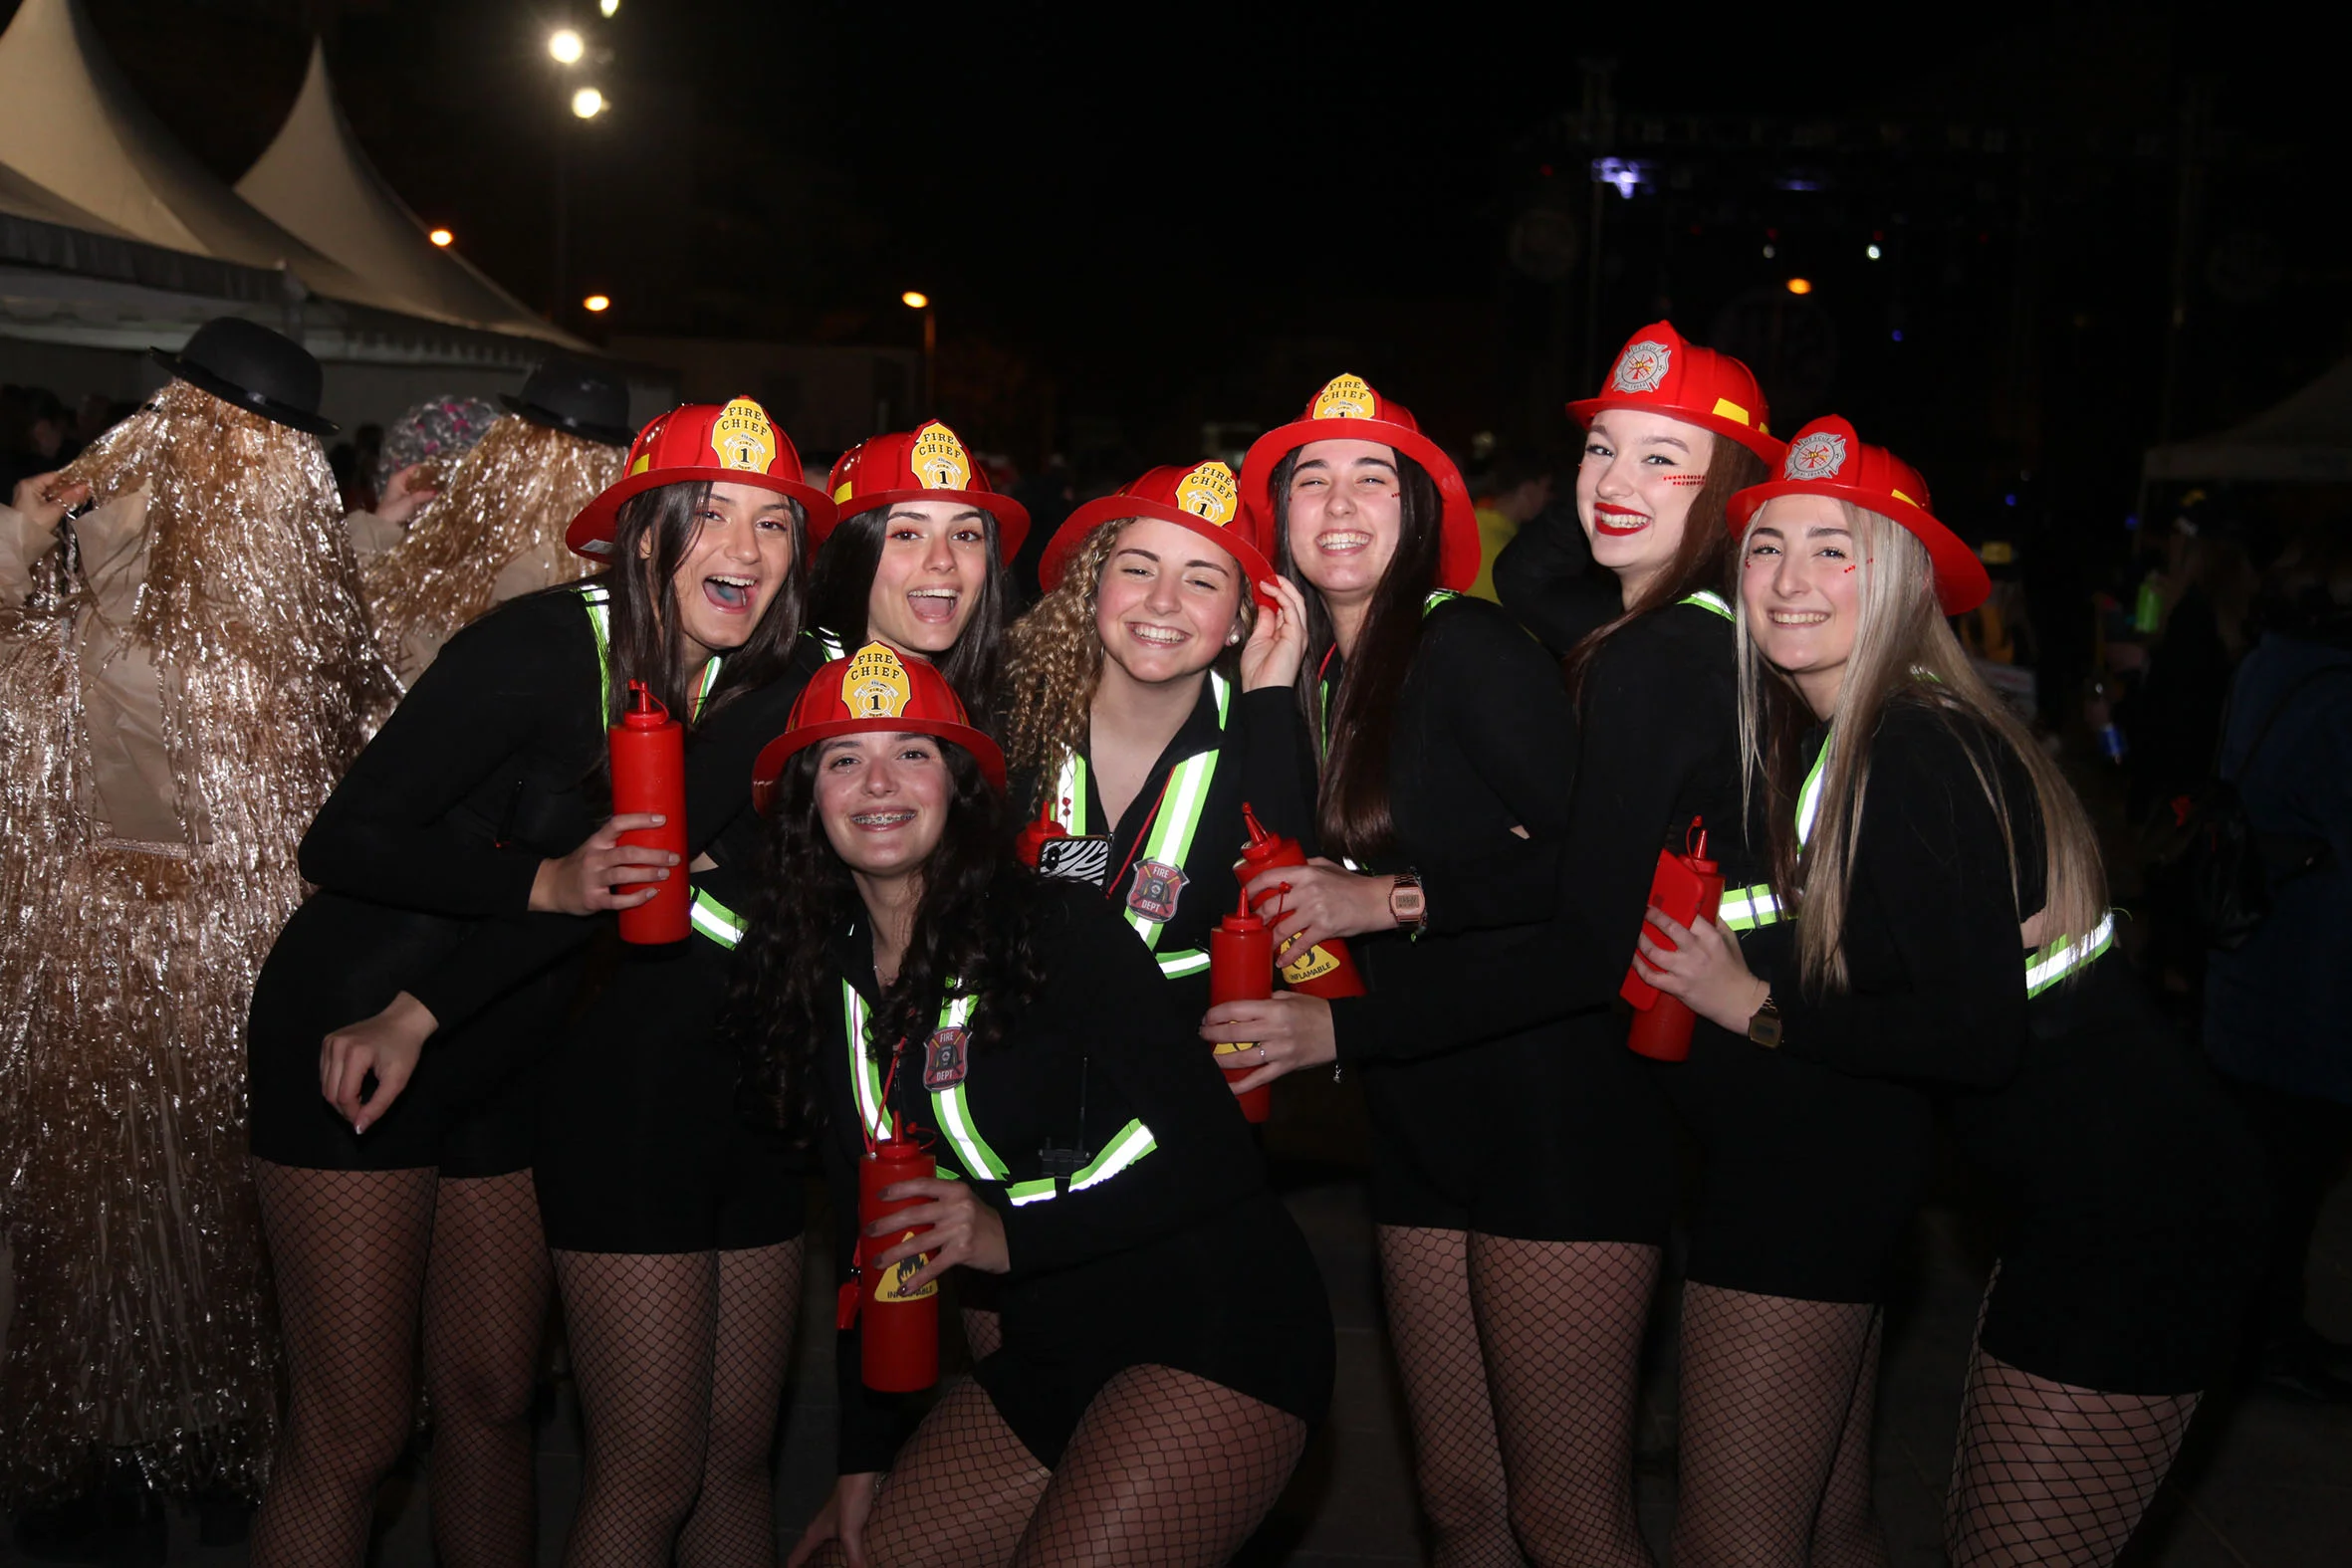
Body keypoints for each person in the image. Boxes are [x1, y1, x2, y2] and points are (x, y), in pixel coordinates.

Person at [1638, 415, 2262, 1567]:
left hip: (2139, 1209)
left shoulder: (1907, 747)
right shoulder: (1870, 738)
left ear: (1901, 580)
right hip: (2082, 1202)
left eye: (1835, 549)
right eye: (1767, 547)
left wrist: (1749, 1006)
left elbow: (1971, 1038)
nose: (1788, 579)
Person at [245, 396, 830, 1568]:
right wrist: (539, 888)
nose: (745, 551)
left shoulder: (769, 681)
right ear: (643, 532)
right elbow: (341, 843)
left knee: (493, 1397)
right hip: (359, 1016)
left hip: (512, 1030)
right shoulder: (534, 647)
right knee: (356, 1434)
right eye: (709, 515)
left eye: (774, 526)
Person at [731, 642, 1332, 1567]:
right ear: (810, 800)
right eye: (844, 758)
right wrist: (865, 1456)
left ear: (959, 787)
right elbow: (871, 1231)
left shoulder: (1057, 926)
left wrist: (1007, 1231)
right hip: (1051, 1339)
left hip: (1210, 1320)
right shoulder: (822, 975)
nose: (879, 782)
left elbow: (1218, 1156)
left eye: (913, 753)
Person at [1199, 372, 1655, 1566]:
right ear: (1280, 515)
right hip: (1417, 1108)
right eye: (1311, 478)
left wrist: (1395, 895)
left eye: (1371, 478)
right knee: (1458, 1503)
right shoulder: (1321, 672)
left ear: (1416, 510)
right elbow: (1277, 866)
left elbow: (1591, 883)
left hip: (1549, 1108)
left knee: (1566, 1519)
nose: (1339, 502)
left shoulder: (1471, 644)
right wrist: (1260, 689)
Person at [0, 318, 397, 1555]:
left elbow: (355, 701)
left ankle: (180, 1442)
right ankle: (129, 1450)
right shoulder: (119, 553)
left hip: (207, 940)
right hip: (140, 937)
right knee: (125, 1206)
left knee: (186, 1206)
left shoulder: (246, 567)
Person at [999, 459, 1315, 1007]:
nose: (1163, 600)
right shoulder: (1009, 718)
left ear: (1240, 619)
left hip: (1185, 1068)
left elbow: (1298, 922)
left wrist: (1269, 699)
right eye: (1139, 570)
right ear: (1092, 587)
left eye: (1201, 580)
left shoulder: (1264, 743)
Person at [2201, 520, 2352, 1401]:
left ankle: (2262, 1327)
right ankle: (2262, 1337)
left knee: (2268, 1165)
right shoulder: (2337, 687)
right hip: (2316, 968)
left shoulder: (2267, 662)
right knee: (2290, 1174)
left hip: (2250, 946)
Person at [359, 364, 635, 682]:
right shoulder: (615, 567)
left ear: (513, 443)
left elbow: (382, 635)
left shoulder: (516, 568)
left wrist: (377, 528)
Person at [807, 419, 1029, 720]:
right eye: (907, 534)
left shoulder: (1022, 717)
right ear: (852, 555)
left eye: (965, 535)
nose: (943, 559)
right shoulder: (781, 703)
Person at [1467, 448, 1553, 603]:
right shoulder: (1497, 545)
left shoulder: (1476, 520)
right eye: (1546, 488)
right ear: (1528, 489)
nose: (1548, 497)